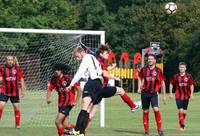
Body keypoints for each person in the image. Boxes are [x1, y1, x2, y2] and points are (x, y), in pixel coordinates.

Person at [85, 44, 140, 130]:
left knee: (91, 112)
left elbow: (104, 70)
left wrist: (110, 67)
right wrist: (115, 77)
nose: (108, 54)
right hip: (101, 88)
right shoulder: (100, 62)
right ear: (101, 54)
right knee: (121, 90)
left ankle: (81, 130)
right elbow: (105, 74)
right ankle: (133, 106)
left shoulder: (98, 61)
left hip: (96, 90)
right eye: (106, 53)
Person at [67, 46, 103, 136]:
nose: (76, 59)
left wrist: (71, 84)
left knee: (84, 104)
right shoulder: (93, 58)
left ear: (81, 52)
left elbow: (80, 71)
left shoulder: (86, 58)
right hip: (98, 83)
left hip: (93, 82)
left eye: (77, 56)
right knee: (87, 108)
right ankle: (81, 132)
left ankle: (76, 130)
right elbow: (99, 70)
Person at [47, 63, 81, 136]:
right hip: (61, 103)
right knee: (66, 125)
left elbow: (79, 89)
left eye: (58, 70)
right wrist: (48, 97)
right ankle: (80, 130)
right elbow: (50, 89)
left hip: (68, 102)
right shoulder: (54, 79)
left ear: (61, 71)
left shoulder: (68, 78)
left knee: (57, 121)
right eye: (55, 70)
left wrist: (76, 101)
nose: (56, 71)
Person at [138, 54, 167, 136]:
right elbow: (140, 78)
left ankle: (160, 130)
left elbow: (162, 82)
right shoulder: (143, 69)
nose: (149, 60)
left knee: (156, 109)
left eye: (151, 59)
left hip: (154, 93)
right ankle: (146, 131)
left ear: (154, 60)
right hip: (144, 93)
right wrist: (139, 88)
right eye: (149, 59)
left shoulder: (158, 70)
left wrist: (164, 95)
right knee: (145, 111)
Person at [0, 55, 25, 129]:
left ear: (13, 61)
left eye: (11, 60)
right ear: (6, 61)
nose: (10, 61)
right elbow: (0, 77)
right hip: (4, 91)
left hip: (14, 92)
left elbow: (21, 79)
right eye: (8, 60)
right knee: (0, 106)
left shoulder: (17, 69)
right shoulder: (2, 68)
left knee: (16, 108)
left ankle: (17, 126)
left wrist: (22, 90)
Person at [169, 62, 194, 132]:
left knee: (184, 112)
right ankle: (182, 126)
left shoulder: (189, 76)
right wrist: (171, 93)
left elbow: (191, 85)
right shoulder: (175, 76)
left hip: (186, 96)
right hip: (178, 95)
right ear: (179, 68)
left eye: (183, 67)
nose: (181, 68)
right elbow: (171, 84)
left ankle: (180, 122)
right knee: (180, 110)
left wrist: (191, 94)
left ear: (185, 68)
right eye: (180, 67)